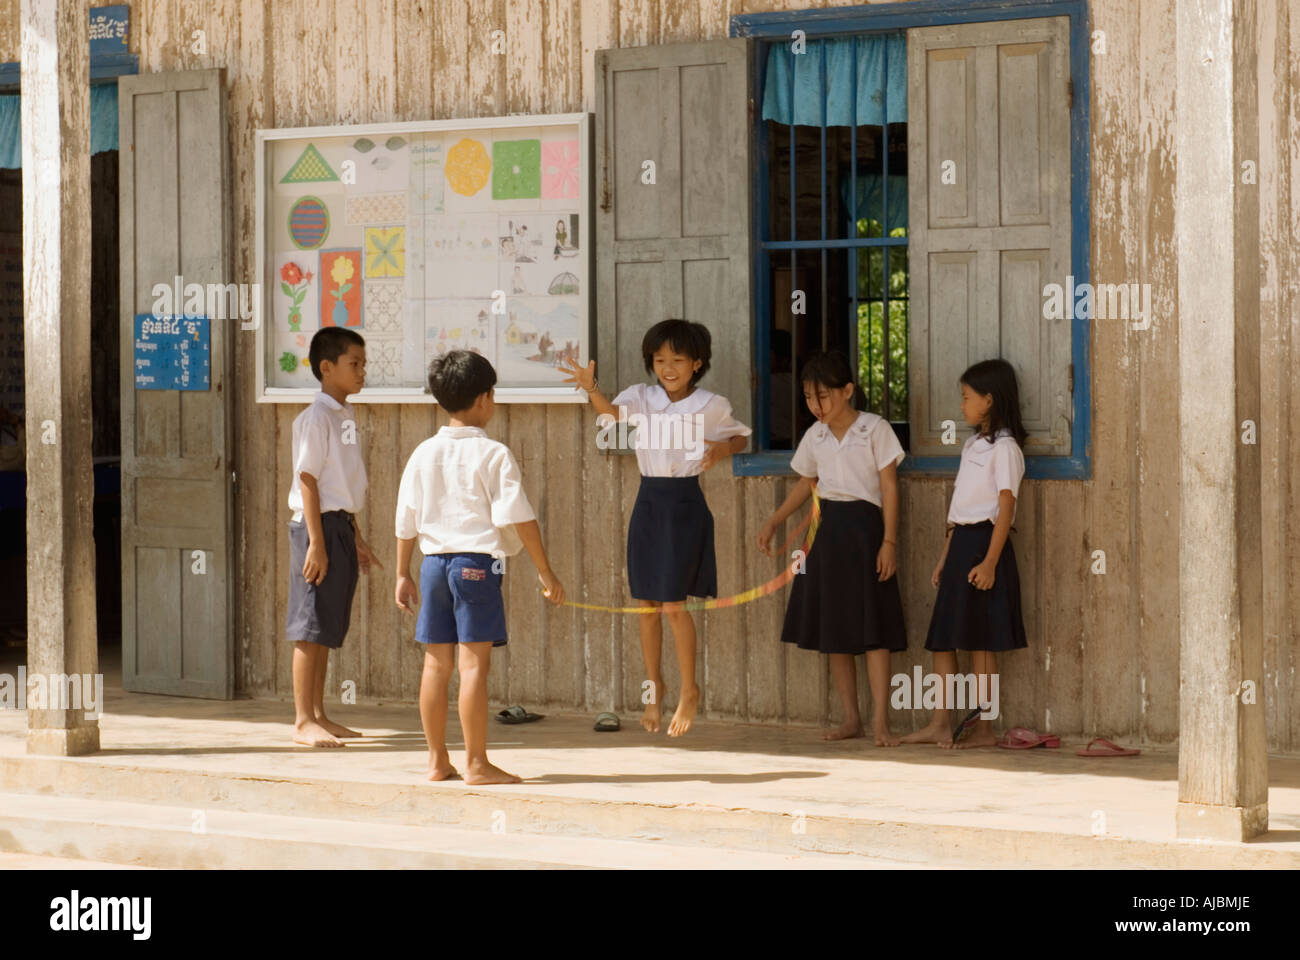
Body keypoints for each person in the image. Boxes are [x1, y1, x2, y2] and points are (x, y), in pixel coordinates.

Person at [560, 320, 751, 737]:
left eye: (677, 360)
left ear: (696, 364)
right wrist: (592, 388)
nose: (667, 368)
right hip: (648, 502)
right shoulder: (640, 397)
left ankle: (689, 689)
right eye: (659, 360)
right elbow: (611, 416)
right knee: (645, 605)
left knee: (673, 605)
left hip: (684, 504)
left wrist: (722, 449)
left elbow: (739, 439)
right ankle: (654, 687)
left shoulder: (710, 405)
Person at [395, 350, 564, 784]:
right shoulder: (493, 454)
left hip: (432, 564)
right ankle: (475, 763)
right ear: (485, 398)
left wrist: (401, 572)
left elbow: (406, 519)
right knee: (473, 668)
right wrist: (545, 572)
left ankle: (436, 761)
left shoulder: (422, 453)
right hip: (476, 565)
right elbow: (519, 516)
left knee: (435, 666)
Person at [757, 351, 907, 744]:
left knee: (874, 628)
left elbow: (890, 486)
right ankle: (851, 719)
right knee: (834, 629)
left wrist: (889, 541)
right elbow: (807, 483)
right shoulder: (816, 436)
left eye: (822, 396)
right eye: (808, 397)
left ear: (847, 391)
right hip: (827, 533)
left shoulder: (875, 429)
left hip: (867, 532)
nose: (815, 405)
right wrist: (775, 520)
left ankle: (880, 722)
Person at [902, 358, 1028, 748]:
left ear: (989, 401)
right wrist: (945, 556)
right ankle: (940, 722)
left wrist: (990, 562)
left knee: (981, 642)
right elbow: (959, 509)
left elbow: (1005, 508)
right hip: (961, 545)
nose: (962, 405)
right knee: (944, 638)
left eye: (967, 398)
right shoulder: (972, 445)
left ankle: (985, 729)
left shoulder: (1006, 449)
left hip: (986, 546)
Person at [286, 327, 382, 748]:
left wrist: (355, 535)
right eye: (354, 364)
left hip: (339, 524)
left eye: (364, 364)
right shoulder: (316, 419)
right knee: (309, 625)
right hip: (317, 529)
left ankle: (321, 713)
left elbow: (340, 483)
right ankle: (302, 719)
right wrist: (317, 544)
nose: (362, 372)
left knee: (325, 626)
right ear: (327, 368)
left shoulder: (345, 416)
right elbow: (306, 479)